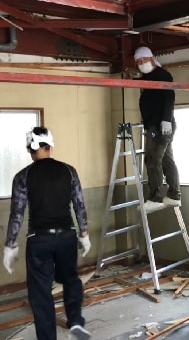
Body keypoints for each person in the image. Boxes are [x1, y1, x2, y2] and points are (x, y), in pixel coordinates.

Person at [3, 127, 92, 340]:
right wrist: (84, 234)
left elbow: (17, 213)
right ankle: (75, 321)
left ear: (29, 150)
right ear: (51, 146)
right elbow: (79, 205)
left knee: (40, 292)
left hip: (39, 240)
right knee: (70, 279)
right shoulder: (69, 171)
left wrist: (10, 244)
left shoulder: (22, 176)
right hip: (66, 236)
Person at [133, 46, 181, 210]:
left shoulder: (162, 75)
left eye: (144, 60)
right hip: (157, 125)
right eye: (138, 62)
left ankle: (155, 198)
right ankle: (174, 195)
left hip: (160, 126)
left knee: (152, 159)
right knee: (166, 160)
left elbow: (169, 97)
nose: (141, 63)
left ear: (151, 58)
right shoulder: (148, 77)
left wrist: (166, 119)